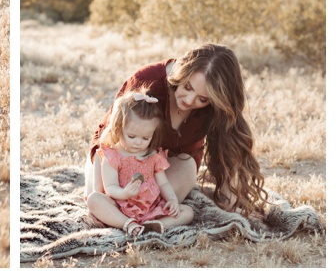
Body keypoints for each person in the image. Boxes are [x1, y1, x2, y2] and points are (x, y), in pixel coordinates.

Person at [85, 43, 267, 215]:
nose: (188, 100)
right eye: (187, 87)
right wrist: (99, 191)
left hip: (166, 166)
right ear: (182, 73)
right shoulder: (148, 80)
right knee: (101, 201)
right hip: (116, 157)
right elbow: (108, 140)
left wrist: (231, 201)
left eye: (202, 99)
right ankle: (125, 216)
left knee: (167, 190)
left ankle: (144, 219)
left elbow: (228, 155)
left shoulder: (216, 107)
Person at [87, 89, 194, 236]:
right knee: (94, 200)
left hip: (150, 208)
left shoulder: (154, 155)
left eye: (145, 138)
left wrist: (172, 200)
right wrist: (124, 193)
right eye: (131, 136)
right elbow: (110, 187)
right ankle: (127, 223)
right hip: (120, 206)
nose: (138, 142)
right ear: (119, 128)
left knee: (187, 212)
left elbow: (163, 183)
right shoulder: (113, 156)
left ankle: (156, 225)